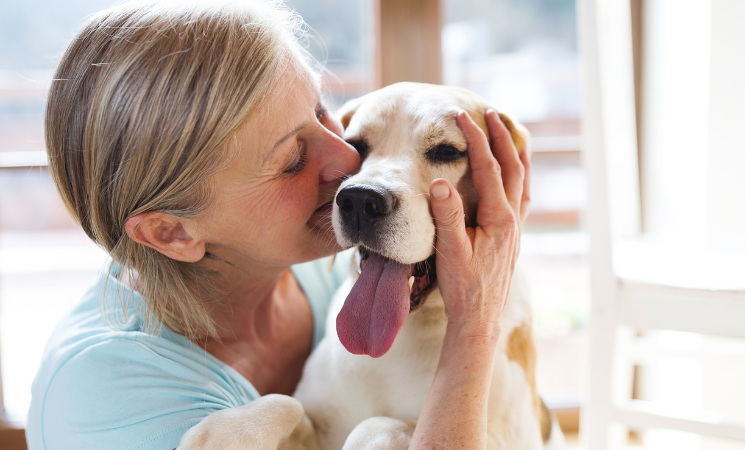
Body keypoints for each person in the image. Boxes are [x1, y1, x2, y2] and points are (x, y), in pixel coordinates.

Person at [26, 1, 531, 449]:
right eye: (292, 159)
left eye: (322, 113)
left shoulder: (325, 270)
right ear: (173, 232)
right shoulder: (112, 405)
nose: (348, 164)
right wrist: (475, 326)